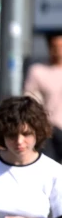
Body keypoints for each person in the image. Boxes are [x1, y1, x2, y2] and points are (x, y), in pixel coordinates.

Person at [24, 32, 62, 162]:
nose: (58, 50)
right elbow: (31, 101)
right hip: (50, 131)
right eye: (55, 46)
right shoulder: (38, 71)